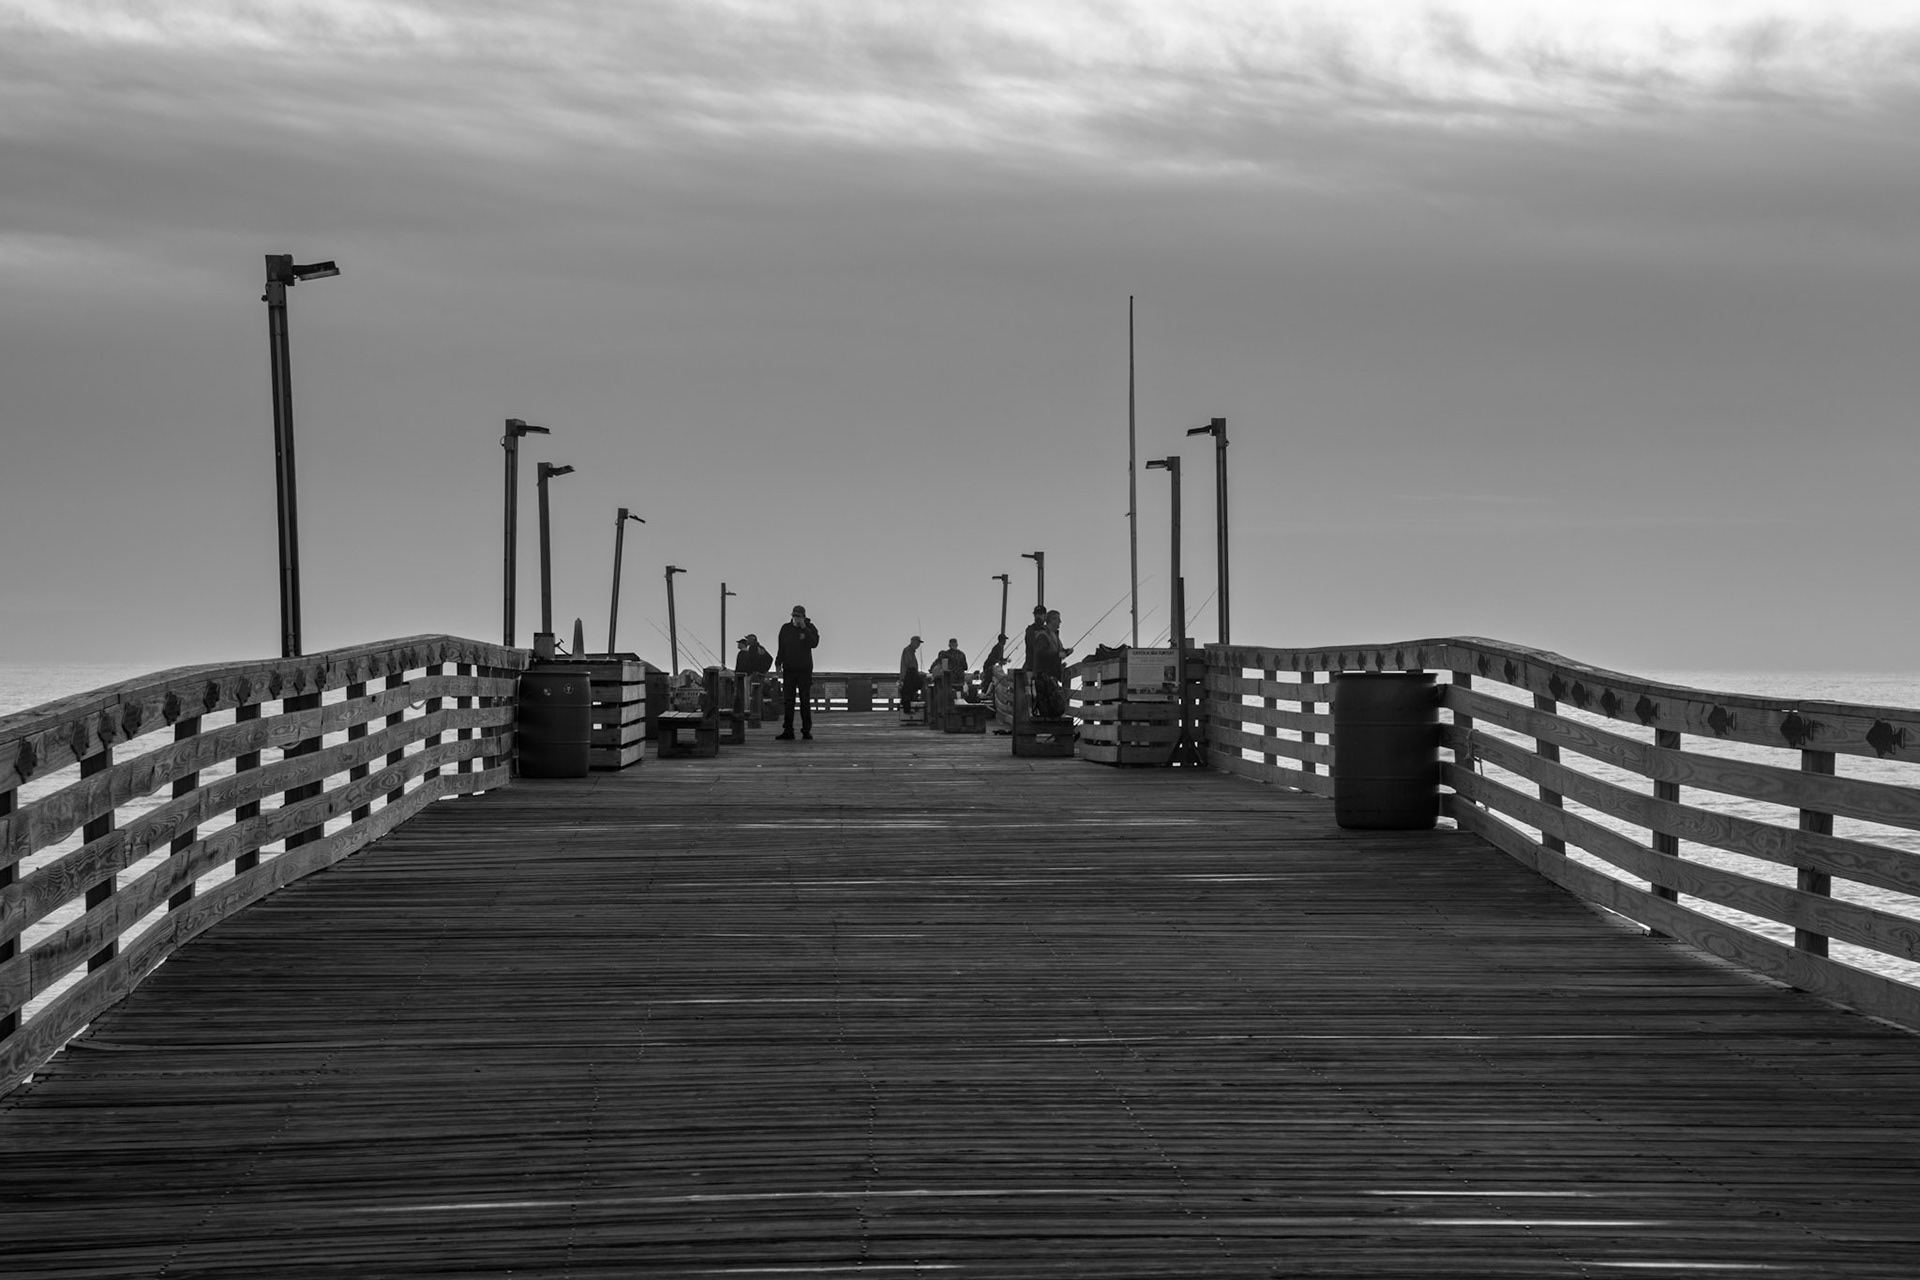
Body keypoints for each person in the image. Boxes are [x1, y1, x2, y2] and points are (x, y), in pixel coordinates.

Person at [775, 606, 820, 740]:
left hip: (804, 670)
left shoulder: (810, 627)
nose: (796, 618)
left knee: (805, 701)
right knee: (788, 702)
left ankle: (806, 731)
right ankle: (788, 730)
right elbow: (781, 647)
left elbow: (814, 643)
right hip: (789, 670)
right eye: (794, 615)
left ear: (804, 616)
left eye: (799, 616)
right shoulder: (785, 629)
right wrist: (778, 663)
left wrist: (804, 628)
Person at [734, 633, 772, 715]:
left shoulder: (753, 649)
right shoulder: (760, 648)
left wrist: (756, 671)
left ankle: (756, 713)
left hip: (754, 674)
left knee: (754, 694)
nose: (747, 640)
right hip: (759, 674)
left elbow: (751, 663)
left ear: (752, 640)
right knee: (758, 694)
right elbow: (770, 659)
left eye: (748, 639)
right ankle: (760, 713)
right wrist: (764, 670)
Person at [899, 635, 924, 715]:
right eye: (917, 643)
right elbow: (909, 664)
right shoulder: (908, 650)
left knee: (910, 693)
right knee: (907, 693)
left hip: (910, 674)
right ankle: (907, 710)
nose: (918, 645)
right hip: (908, 675)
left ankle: (908, 709)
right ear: (913, 642)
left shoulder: (911, 651)